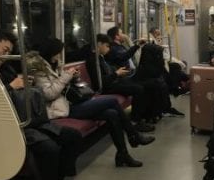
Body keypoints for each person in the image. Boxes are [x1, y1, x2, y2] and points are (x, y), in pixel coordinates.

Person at [28, 38, 155, 168]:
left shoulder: (55, 65)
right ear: (51, 52)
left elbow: (65, 86)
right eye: (58, 52)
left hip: (71, 102)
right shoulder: (38, 71)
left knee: (111, 113)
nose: (60, 55)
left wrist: (73, 76)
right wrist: (66, 77)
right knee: (112, 101)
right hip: (61, 109)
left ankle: (123, 154)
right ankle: (133, 135)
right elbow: (49, 94)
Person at [0, 29, 82, 180]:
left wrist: (23, 82)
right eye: (5, 50)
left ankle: (58, 177)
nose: (7, 55)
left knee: (73, 136)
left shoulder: (5, 67)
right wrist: (11, 86)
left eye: (9, 52)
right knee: (50, 149)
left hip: (30, 118)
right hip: (12, 124)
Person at [85, 34, 155, 132]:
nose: (108, 49)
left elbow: (120, 60)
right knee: (138, 89)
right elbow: (99, 83)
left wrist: (117, 73)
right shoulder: (93, 60)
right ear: (99, 44)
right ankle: (135, 121)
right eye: (107, 46)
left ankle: (143, 116)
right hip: (107, 87)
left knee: (143, 84)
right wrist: (116, 74)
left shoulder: (101, 57)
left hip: (114, 81)